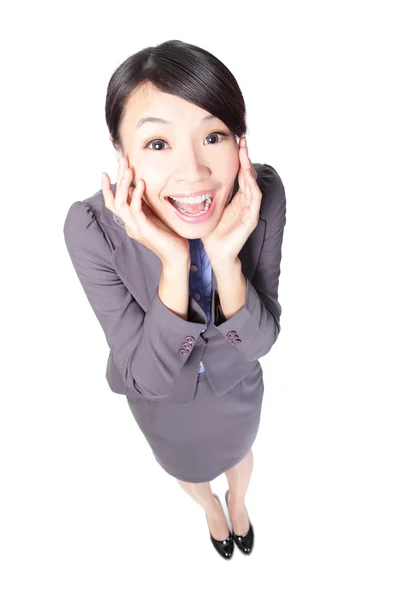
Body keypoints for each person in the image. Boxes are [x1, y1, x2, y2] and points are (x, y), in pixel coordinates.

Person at [63, 39, 287, 560]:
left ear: (239, 141)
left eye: (213, 135)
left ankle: (238, 504)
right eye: (158, 144)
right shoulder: (92, 228)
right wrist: (172, 262)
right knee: (187, 468)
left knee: (239, 451)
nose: (193, 171)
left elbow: (260, 340)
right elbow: (150, 376)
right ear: (123, 155)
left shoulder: (262, 194)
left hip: (237, 381)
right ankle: (210, 509)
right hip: (164, 406)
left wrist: (226, 262)